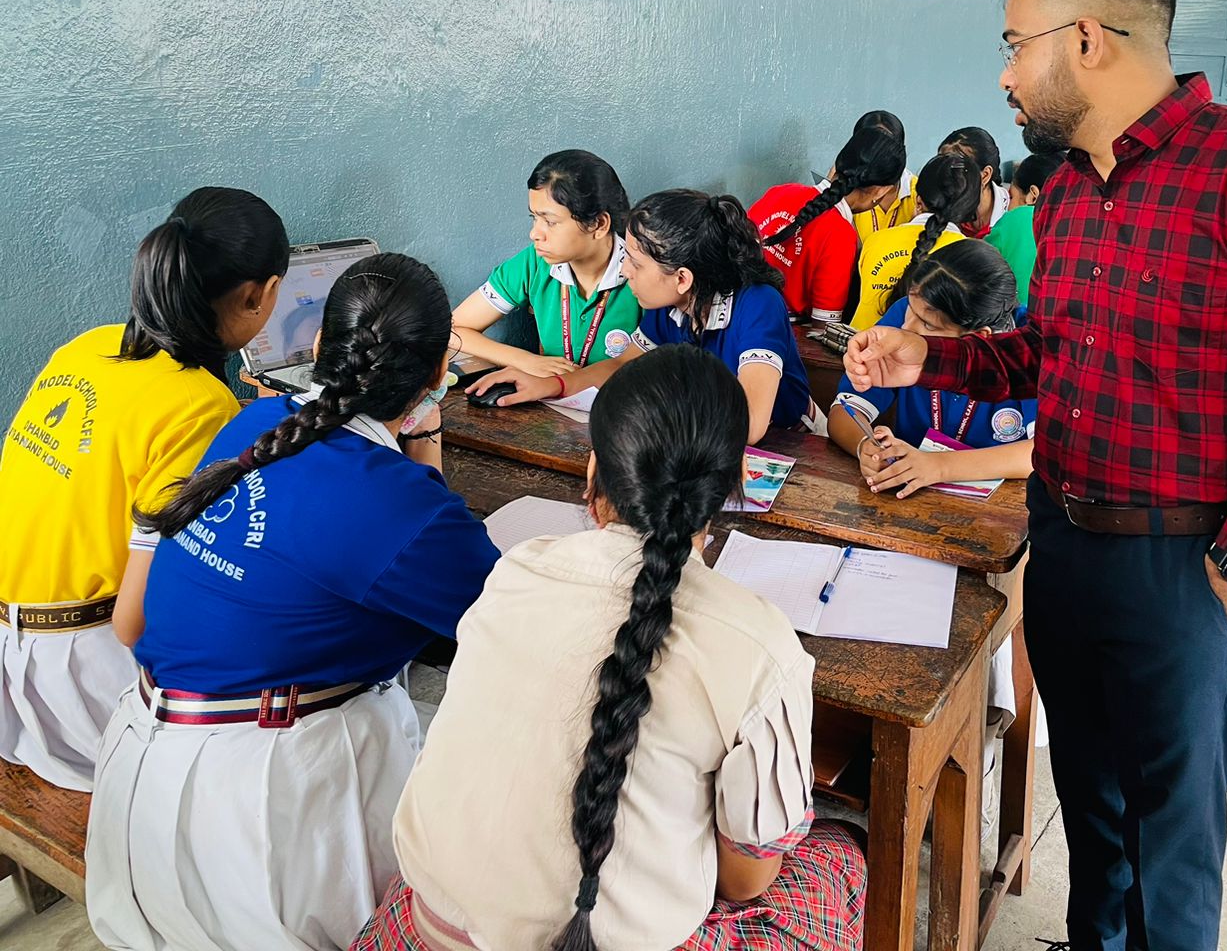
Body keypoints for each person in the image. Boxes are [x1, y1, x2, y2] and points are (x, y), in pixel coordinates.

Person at [844, 0, 1227, 951]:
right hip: (1067, 544)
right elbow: (1054, 357)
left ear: (1087, 39)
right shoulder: (1071, 197)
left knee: (1170, 841)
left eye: (1014, 43)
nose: (1004, 75)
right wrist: (929, 361)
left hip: (1185, 558)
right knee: (1091, 812)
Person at [353, 346, 867, 951]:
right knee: (837, 857)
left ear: (594, 471)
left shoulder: (519, 569)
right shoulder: (760, 644)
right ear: (731, 488)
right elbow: (746, 881)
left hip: (432, 928)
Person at [86, 252, 502, 951]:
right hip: (263, 819)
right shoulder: (396, 508)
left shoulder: (255, 422)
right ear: (437, 377)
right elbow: (508, 618)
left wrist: (416, 437)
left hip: (143, 783)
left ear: (314, 349)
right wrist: (427, 435)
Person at [0, 187, 288, 792]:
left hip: (10, 654)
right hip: (78, 677)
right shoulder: (199, 405)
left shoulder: (91, 344)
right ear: (258, 296)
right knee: (282, 722)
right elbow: (144, 615)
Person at [467, 191, 816, 444]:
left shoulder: (758, 305)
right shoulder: (666, 306)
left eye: (635, 261)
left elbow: (751, 423)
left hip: (791, 446)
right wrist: (553, 386)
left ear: (682, 278)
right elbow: (622, 367)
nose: (623, 269)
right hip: (704, 443)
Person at [829, 241, 1035, 499]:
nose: (907, 328)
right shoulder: (905, 318)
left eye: (927, 324)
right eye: (909, 311)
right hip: (910, 497)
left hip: (1000, 509)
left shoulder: (1029, 348)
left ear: (979, 338)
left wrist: (938, 466)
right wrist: (867, 448)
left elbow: (1040, 454)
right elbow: (845, 410)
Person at [451, 150, 640, 377]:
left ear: (598, 224)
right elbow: (454, 330)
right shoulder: (535, 261)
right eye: (534, 218)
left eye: (550, 222)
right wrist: (524, 360)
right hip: (554, 404)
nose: (535, 234)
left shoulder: (643, 272)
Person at [749, 110, 906, 323]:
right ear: (881, 191)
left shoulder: (781, 191)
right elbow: (822, 325)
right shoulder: (840, 235)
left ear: (836, 165)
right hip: (775, 332)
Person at [848, 151, 981, 329]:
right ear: (970, 209)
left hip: (858, 347)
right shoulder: (974, 258)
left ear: (918, 200)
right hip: (925, 353)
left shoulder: (875, 241)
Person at [985, 149, 1067, 305]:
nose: (1008, 206)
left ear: (1033, 195)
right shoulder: (1083, 224)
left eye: (1011, 197)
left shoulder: (1017, 219)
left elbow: (974, 266)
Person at [938, 126, 1011, 237]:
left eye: (956, 170)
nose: (945, 178)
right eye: (941, 167)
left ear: (985, 175)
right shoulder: (937, 210)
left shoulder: (1014, 211)